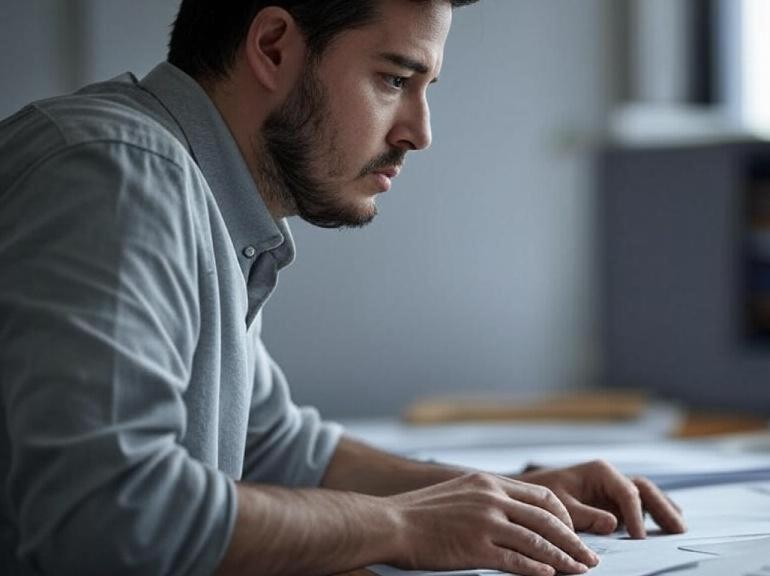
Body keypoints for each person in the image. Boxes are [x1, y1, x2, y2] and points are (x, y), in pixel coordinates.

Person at [0, 1, 686, 575]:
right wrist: (399, 525)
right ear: (272, 47)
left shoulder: (203, 198)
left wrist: (499, 497)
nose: (419, 132)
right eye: (394, 80)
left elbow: (280, 450)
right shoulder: (120, 176)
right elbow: (107, 516)